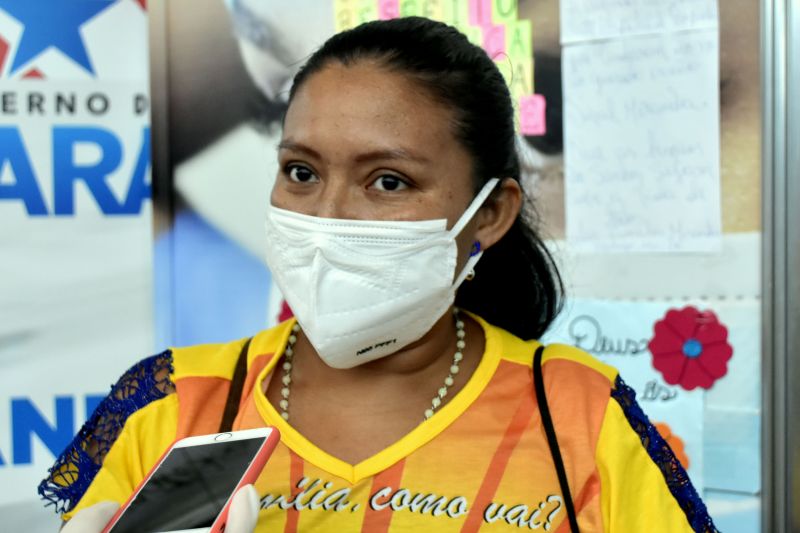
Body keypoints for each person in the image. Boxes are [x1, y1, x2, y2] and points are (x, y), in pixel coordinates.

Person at [40, 17, 717, 532]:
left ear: (491, 214)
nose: (330, 216)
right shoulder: (172, 404)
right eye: (300, 171)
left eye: (387, 181)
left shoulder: (576, 412)